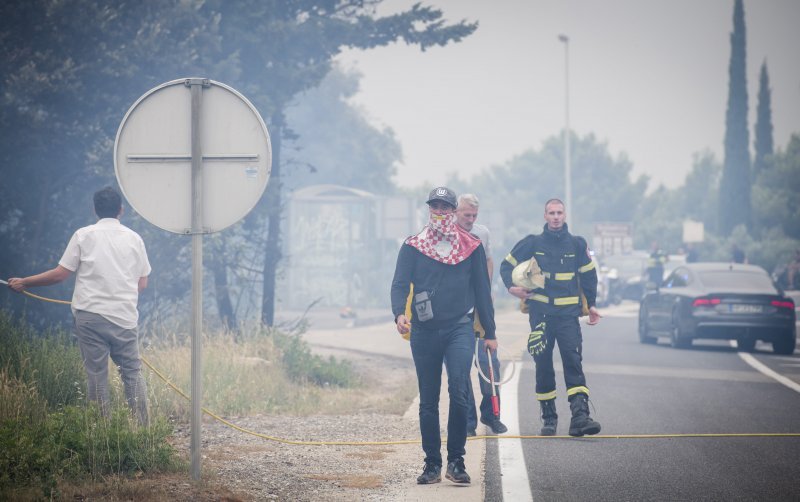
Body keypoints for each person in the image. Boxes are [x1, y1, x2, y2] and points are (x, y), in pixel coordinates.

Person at [7, 186, 151, 425]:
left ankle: (100, 433)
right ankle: (145, 432)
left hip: (90, 317)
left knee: (96, 374)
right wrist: (120, 295)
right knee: (132, 373)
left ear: (95, 209)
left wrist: (25, 282)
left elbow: (60, 275)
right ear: (121, 210)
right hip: (124, 318)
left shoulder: (83, 235)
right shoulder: (135, 239)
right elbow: (142, 283)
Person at [391, 186, 496, 485]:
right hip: (424, 331)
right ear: (429, 210)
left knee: (460, 391)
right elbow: (399, 284)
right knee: (428, 399)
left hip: (459, 328)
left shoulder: (472, 247)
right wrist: (399, 313)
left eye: (445, 207)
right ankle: (432, 464)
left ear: (454, 211)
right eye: (434, 206)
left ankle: (456, 461)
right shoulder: (413, 246)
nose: (440, 212)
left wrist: (490, 332)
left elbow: (482, 292)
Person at [500, 198, 601, 437]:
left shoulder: (577, 244)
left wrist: (593, 304)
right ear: (545, 216)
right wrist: (511, 287)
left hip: (568, 317)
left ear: (565, 215)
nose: (555, 217)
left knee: (573, 364)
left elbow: (589, 276)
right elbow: (506, 266)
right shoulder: (532, 243)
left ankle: (580, 417)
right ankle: (548, 418)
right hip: (541, 316)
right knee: (543, 365)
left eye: (559, 212)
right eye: (551, 213)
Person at [454, 193, 507, 436]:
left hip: (480, 307)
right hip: (456, 310)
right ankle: (467, 423)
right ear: (456, 212)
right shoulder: (447, 234)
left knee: (488, 364)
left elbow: (488, 260)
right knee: (460, 368)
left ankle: (491, 415)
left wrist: (485, 288)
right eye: (467, 215)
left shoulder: (482, 233)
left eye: (474, 215)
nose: (471, 219)